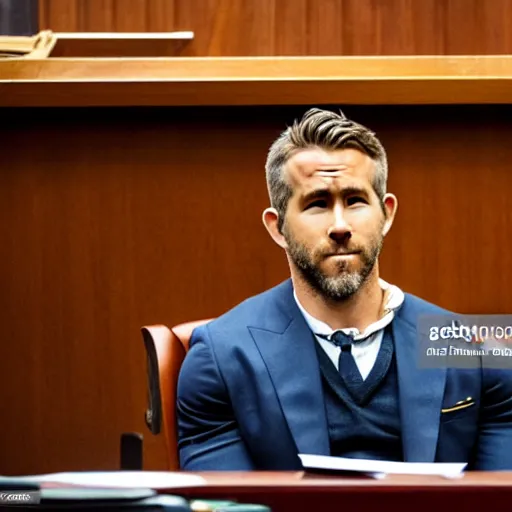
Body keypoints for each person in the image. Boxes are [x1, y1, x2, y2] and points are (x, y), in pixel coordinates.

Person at [176, 108, 512, 470]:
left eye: (355, 201)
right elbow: (227, 504)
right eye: (317, 203)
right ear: (277, 228)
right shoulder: (223, 356)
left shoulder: (472, 349)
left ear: (387, 215)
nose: (340, 226)